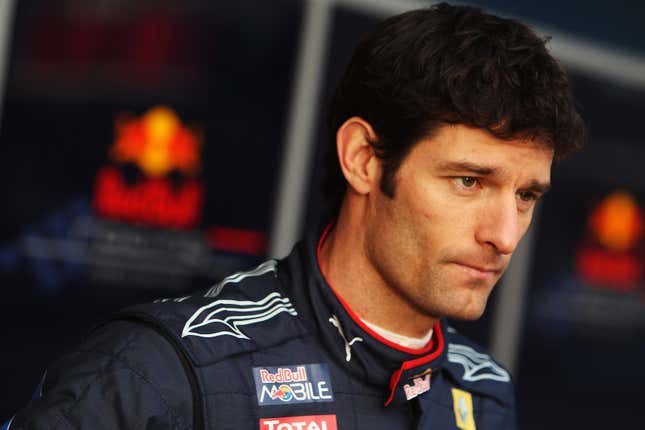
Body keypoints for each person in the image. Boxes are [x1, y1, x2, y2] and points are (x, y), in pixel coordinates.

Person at [4, 3, 584, 429]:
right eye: (468, 181)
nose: (504, 235)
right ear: (362, 159)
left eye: (526, 196)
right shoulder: (163, 371)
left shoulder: (485, 392)